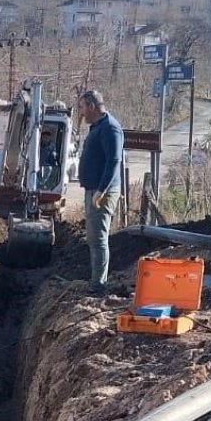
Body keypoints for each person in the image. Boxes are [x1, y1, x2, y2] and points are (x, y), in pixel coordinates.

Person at [76, 89, 124, 294]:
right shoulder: (98, 127)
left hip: (102, 192)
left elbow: (114, 161)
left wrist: (101, 190)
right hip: (94, 190)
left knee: (98, 239)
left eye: (82, 107)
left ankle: (98, 286)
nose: (81, 112)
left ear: (92, 106)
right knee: (93, 238)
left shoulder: (110, 129)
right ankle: (96, 281)